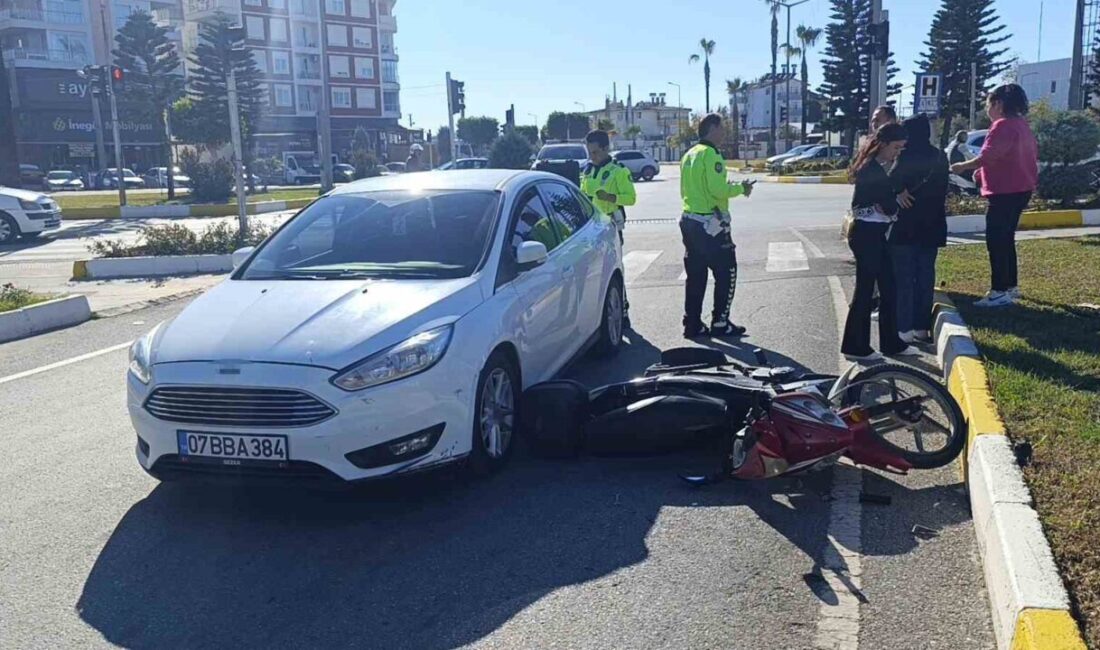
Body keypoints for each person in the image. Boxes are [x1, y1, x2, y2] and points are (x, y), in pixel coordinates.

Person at [951, 83, 1038, 307]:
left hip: (1004, 192)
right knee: (1006, 238)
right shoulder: (1022, 125)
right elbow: (1005, 157)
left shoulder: (1001, 126)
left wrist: (962, 166)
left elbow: (988, 156)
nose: (987, 109)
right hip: (1021, 189)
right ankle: (1010, 286)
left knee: (996, 241)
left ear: (998, 104)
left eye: (988, 104)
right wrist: (981, 172)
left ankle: (999, 291)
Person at [841, 122, 919, 362]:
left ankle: (891, 343)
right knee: (866, 291)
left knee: (888, 287)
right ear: (883, 144)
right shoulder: (872, 169)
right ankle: (856, 346)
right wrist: (894, 200)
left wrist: (891, 201)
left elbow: (885, 204)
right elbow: (888, 205)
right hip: (867, 235)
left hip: (872, 234)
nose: (897, 153)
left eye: (901, 149)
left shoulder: (875, 166)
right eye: (896, 147)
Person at [679, 112, 754, 338]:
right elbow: (717, 190)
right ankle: (720, 322)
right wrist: (741, 188)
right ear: (712, 128)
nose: (724, 133)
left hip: (689, 220)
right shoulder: (711, 155)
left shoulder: (690, 154)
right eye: (722, 128)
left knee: (696, 275)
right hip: (709, 225)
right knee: (726, 271)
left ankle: (692, 323)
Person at [889, 114, 949, 344]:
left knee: (904, 278)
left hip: (907, 225)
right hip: (932, 224)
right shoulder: (939, 156)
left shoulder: (905, 155)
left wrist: (898, 192)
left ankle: (904, 327)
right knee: (925, 276)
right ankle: (921, 328)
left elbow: (891, 180)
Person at [579, 129, 637, 320]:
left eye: (595, 152)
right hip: (591, 229)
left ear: (606, 148)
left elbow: (631, 198)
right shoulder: (587, 170)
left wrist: (611, 197)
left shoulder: (618, 171)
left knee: (614, 270)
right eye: (589, 153)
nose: (592, 157)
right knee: (594, 274)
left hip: (611, 226)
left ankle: (623, 309)